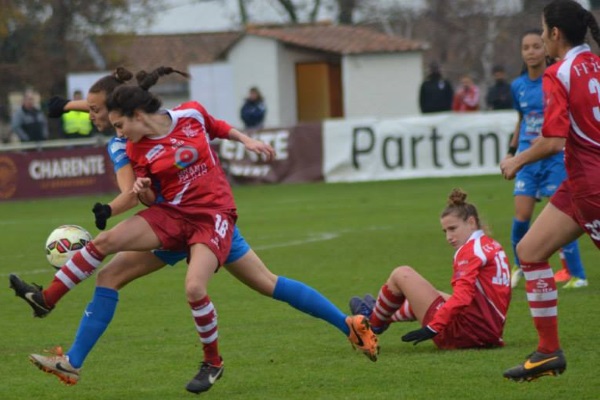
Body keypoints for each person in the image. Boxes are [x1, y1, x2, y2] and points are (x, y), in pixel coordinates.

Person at [9, 67, 378, 393]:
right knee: (107, 260)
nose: (114, 130)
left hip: (212, 218)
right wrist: (140, 193)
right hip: (172, 218)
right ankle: (55, 317)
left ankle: (218, 360)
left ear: (135, 114)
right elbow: (147, 194)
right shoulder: (133, 147)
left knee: (240, 285)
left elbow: (215, 125)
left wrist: (246, 139)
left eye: (115, 122)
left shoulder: (189, 115)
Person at [499, 0, 600, 382]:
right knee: (530, 251)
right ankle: (547, 351)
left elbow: (555, 139)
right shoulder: (594, 65)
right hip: (578, 183)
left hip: (592, 185)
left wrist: (516, 160)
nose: (540, 37)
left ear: (555, 34)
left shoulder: (560, 74)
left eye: (543, 31)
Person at [349, 188, 511, 350]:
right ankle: (381, 314)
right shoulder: (492, 245)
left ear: (471, 222)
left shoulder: (470, 251)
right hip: (489, 333)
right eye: (445, 231)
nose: (448, 237)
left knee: (402, 274)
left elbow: (462, 297)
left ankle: (373, 324)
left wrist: (433, 327)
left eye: (453, 229)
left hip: (464, 335)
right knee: (431, 296)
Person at [505, 29, 587, 290]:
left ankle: (575, 273)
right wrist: (511, 150)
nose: (531, 51)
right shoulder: (517, 86)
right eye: (526, 47)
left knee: (562, 215)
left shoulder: (556, 79)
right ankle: (521, 263)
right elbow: (521, 120)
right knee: (521, 217)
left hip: (552, 156)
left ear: (545, 49)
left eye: (536, 46)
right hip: (527, 158)